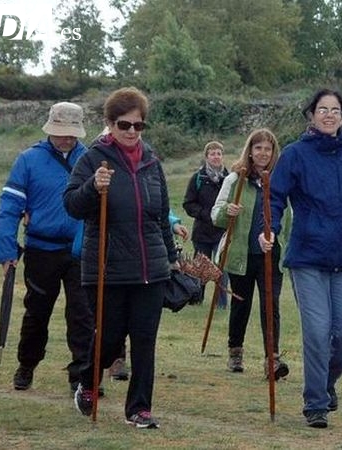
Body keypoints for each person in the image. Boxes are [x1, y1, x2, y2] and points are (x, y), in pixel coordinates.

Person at [261, 88, 342, 429]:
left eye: (335, 110)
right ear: (311, 115)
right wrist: (268, 228)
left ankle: (325, 384)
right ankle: (316, 403)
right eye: (322, 109)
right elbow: (275, 197)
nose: (329, 114)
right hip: (307, 258)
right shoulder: (296, 155)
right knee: (316, 331)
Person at [65, 87, 178, 429]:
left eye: (138, 125)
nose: (131, 132)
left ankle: (139, 409)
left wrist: (171, 258)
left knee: (145, 341)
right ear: (110, 124)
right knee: (110, 339)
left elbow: (161, 215)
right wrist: (92, 188)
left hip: (151, 269)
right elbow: (71, 205)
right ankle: (87, 381)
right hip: (108, 268)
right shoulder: (92, 160)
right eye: (124, 125)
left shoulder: (152, 162)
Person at [0, 102, 93, 393]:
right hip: (40, 249)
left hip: (79, 249)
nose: (66, 138)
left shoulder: (91, 159)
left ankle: (81, 375)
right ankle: (27, 364)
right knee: (37, 312)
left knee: (82, 314)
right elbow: (10, 206)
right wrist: (6, 250)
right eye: (61, 132)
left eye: (71, 133)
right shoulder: (28, 160)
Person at [211, 129, 289, 378]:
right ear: (250, 151)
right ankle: (235, 352)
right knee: (241, 304)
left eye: (268, 149)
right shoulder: (236, 178)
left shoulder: (281, 180)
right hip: (241, 253)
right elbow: (216, 214)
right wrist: (227, 212)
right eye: (258, 148)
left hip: (271, 253)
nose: (263, 153)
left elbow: (290, 215)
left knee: (270, 305)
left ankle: (272, 360)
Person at [183, 140, 229, 309]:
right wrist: (205, 214)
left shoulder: (229, 178)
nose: (216, 157)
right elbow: (188, 203)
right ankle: (196, 299)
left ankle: (222, 304)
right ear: (206, 157)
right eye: (212, 153)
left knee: (221, 269)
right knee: (201, 268)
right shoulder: (197, 178)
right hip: (202, 232)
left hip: (222, 232)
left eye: (218, 153)